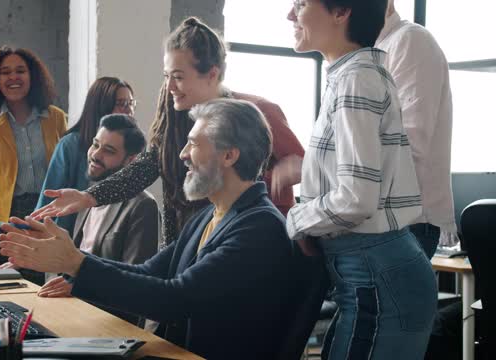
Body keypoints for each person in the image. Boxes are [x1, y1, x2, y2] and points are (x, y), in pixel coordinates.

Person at [0, 99, 309, 360]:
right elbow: (151, 272)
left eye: (193, 143)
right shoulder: (210, 215)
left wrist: (74, 263)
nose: (182, 154)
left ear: (229, 155)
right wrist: (72, 262)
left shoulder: (259, 228)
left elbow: (175, 300)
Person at [31, 17, 305, 247]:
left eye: (178, 76)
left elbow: (307, 166)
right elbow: (151, 164)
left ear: (211, 74)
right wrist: (89, 196)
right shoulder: (174, 113)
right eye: (166, 76)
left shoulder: (258, 111)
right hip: (189, 239)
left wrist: (278, 174)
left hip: (249, 240)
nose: (170, 86)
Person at [285, 0, 437, 359]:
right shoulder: (351, 75)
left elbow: (356, 198)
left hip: (376, 274)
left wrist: (298, 220)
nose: (290, 14)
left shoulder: (356, 81)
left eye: (301, 4)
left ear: (342, 12)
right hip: (370, 271)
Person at [39, 114, 159, 324]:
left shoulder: (142, 206)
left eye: (109, 151)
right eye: (95, 145)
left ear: (131, 161)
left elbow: (135, 284)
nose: (95, 154)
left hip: (110, 323)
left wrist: (79, 288)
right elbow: (67, 264)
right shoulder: (86, 196)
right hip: (69, 311)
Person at [0, 46, 67, 277]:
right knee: (13, 289)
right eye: (5, 72)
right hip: (7, 221)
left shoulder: (56, 117)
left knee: (47, 287)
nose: (13, 77)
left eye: (21, 70)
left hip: (48, 216)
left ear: (32, 77)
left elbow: (66, 171)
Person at [375, 0, 457, 258]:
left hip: (406, 224)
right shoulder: (368, 52)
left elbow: (408, 145)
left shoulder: (408, 41)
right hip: (381, 222)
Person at [35, 77, 136, 234]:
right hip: (70, 239)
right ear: (102, 106)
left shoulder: (130, 149)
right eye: (121, 104)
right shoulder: (70, 145)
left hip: (111, 236)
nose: (129, 110)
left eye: (131, 103)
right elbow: (48, 201)